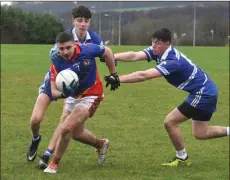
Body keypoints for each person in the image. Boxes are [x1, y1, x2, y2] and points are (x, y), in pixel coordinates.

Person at [106, 28, 229, 167]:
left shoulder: (173, 61)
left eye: (157, 43)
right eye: (152, 42)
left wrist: (118, 79)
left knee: (170, 122)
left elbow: (144, 75)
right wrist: (112, 56)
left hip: (203, 93)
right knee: (201, 133)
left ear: (167, 43)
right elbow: (134, 55)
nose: (153, 46)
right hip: (207, 91)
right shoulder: (159, 51)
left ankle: (182, 158)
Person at [27, 5, 107, 165]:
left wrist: (111, 69)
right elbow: (56, 65)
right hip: (55, 81)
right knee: (35, 120)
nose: (83, 24)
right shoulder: (65, 39)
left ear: (89, 22)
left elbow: (104, 54)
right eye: (79, 20)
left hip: (75, 85)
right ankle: (36, 138)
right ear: (73, 21)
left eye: (86, 21)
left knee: (70, 123)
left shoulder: (95, 39)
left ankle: (48, 154)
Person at [43, 31, 119, 174]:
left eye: (68, 48)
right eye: (61, 49)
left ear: (75, 45)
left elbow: (107, 52)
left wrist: (113, 73)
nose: (65, 52)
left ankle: (54, 164)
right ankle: (101, 144)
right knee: (76, 133)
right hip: (72, 96)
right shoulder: (56, 61)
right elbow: (53, 92)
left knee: (66, 128)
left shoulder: (88, 49)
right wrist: (63, 94)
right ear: (57, 48)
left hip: (92, 94)